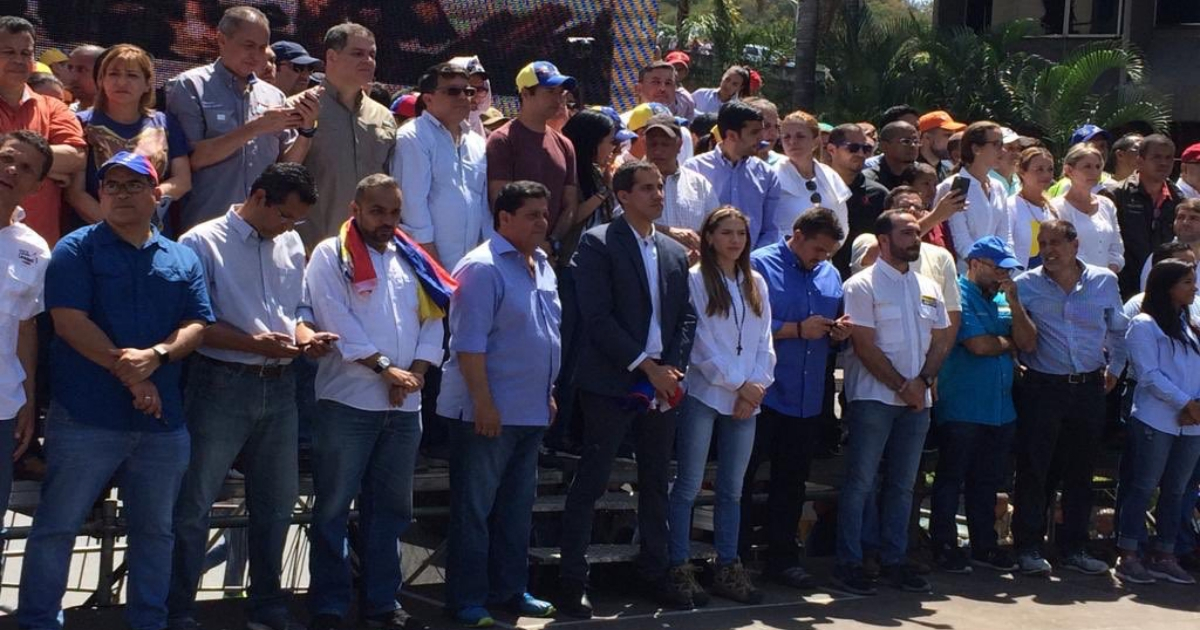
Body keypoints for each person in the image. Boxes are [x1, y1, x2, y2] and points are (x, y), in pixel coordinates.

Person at [18, 151, 214, 630]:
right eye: (112, 186)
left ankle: (150, 620)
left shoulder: (182, 256)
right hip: (86, 418)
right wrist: (135, 372)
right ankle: (39, 622)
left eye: (133, 185)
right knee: (56, 528)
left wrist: (158, 357)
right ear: (101, 195)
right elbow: (68, 323)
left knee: (156, 532)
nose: (121, 194)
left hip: (161, 423)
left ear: (155, 194)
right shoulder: (74, 248)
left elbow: (197, 323)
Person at [168, 163, 328, 630]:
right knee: (194, 504)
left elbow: (295, 308)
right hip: (220, 382)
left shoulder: (291, 241)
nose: (289, 227)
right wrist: (254, 344)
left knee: (276, 506)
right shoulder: (200, 241)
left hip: (280, 386)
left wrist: (306, 336)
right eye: (285, 215)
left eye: (296, 220)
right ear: (259, 197)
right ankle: (178, 608)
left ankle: (268, 606)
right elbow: (191, 322)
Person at [303, 174, 452, 630]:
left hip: (404, 407)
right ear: (356, 208)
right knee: (332, 508)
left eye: (393, 212)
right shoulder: (332, 254)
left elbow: (435, 320)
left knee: (391, 511)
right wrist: (386, 369)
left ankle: (381, 604)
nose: (387, 221)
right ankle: (329, 604)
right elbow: (335, 319)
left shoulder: (413, 258)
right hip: (347, 403)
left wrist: (414, 377)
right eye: (377, 211)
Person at [556, 161, 697, 617]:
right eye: (647, 188)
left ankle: (654, 572)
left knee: (657, 481)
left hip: (662, 385)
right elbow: (596, 318)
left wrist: (669, 368)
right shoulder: (598, 245)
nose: (658, 195)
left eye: (660, 187)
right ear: (622, 196)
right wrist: (645, 366)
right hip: (611, 382)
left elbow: (687, 317)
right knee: (593, 481)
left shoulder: (673, 252)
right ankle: (572, 579)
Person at [440, 181, 561, 627]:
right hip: (487, 413)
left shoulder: (543, 265)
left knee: (515, 508)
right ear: (503, 218)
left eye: (544, 214)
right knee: (475, 510)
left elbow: (542, 337)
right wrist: (483, 403)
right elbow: (468, 345)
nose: (542, 222)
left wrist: (546, 392)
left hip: (529, 410)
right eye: (531, 214)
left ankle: (510, 590)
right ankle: (467, 600)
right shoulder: (481, 268)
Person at [834, 210, 953, 595]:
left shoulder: (928, 286)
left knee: (903, 484)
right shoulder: (861, 285)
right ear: (883, 240)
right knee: (861, 482)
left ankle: (894, 560)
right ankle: (851, 561)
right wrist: (905, 385)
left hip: (917, 401)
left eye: (917, 232)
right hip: (874, 398)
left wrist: (924, 381)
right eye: (906, 232)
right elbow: (864, 345)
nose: (915, 238)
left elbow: (941, 339)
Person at [667, 206, 775, 605]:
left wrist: (757, 385)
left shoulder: (756, 282)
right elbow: (699, 343)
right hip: (706, 392)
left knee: (732, 488)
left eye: (740, 233)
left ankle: (728, 564)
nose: (734, 240)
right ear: (709, 236)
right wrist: (738, 384)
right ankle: (677, 564)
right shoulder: (696, 280)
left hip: (747, 400)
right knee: (689, 485)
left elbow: (765, 340)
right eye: (726, 232)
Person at [740, 207, 848, 589]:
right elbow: (744, 324)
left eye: (828, 252)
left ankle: (782, 559)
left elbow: (835, 318)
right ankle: (734, 558)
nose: (822, 258)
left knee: (792, 482)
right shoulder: (758, 266)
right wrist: (796, 329)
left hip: (807, 397)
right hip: (764, 394)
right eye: (817, 249)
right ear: (797, 235)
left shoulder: (831, 274)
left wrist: (838, 332)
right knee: (745, 479)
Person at [1011, 219, 1126, 577]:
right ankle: (1028, 548)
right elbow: (1015, 334)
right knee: (1035, 469)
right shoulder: (1025, 284)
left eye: (1056, 242)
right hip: (1043, 386)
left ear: (1075, 245)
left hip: (1090, 387)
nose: (1048, 250)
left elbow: (1119, 330)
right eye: (1043, 243)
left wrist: (1115, 369)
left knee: (1081, 471)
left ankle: (1074, 548)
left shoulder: (1104, 281)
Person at [929, 236, 1035, 574]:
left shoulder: (1004, 298)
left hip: (1000, 409)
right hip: (962, 405)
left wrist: (1015, 305)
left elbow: (1029, 341)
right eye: (998, 269)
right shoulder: (958, 294)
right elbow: (978, 345)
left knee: (987, 481)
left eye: (1008, 270)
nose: (1004, 276)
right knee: (951, 477)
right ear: (975, 264)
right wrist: (1009, 344)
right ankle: (943, 544)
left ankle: (983, 545)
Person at [166, 6, 317, 232]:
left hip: (261, 227)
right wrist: (255, 128)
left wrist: (306, 131)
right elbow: (192, 160)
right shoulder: (189, 86)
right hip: (207, 225)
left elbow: (285, 167)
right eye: (248, 45)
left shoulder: (274, 95)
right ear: (222, 40)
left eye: (262, 47)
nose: (255, 55)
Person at [1114, 259, 1200, 586]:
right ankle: (1129, 553)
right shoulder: (1144, 324)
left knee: (1177, 489)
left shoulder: (1191, 325)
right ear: (1167, 287)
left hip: (1191, 422)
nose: (1194, 287)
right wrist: (1185, 403)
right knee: (1143, 485)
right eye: (1187, 282)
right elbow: (1149, 375)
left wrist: (1196, 406)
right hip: (1156, 419)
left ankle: (1165, 553)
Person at [66, 44, 192, 230]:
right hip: (96, 237)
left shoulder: (165, 123)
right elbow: (75, 193)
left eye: (132, 75)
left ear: (148, 83)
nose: (122, 82)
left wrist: (153, 195)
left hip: (154, 233)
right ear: (101, 80)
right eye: (114, 74)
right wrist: (117, 228)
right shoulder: (80, 124)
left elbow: (182, 180)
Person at [299, 22, 397, 250]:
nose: (368, 61)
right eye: (358, 53)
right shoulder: (299, 108)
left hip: (370, 248)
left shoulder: (383, 117)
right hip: (311, 247)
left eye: (372, 54)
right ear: (331, 57)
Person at [0, 131, 52, 539]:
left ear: (36, 187)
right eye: (6, 158)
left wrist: (29, 401)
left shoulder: (35, 250)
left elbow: (26, 328)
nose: (11, 169)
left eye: (26, 168)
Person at [394, 62, 489, 270]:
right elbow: (413, 209)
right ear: (428, 99)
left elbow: (483, 207)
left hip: (470, 268)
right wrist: (436, 271)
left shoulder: (478, 143)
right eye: (453, 91)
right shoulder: (413, 137)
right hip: (424, 267)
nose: (464, 97)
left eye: (468, 91)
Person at [0, 16, 85, 246]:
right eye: (9, 52)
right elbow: (64, 158)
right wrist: (44, 167)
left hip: (36, 250)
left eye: (25, 53)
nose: (18, 60)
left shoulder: (53, 106)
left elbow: (76, 157)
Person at [486, 61, 578, 258]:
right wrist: (530, 245)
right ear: (526, 94)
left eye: (561, 92)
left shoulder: (565, 144)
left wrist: (552, 242)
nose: (559, 98)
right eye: (551, 91)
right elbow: (500, 201)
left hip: (551, 255)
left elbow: (570, 203)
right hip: (511, 253)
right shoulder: (502, 140)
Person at [850, 187, 963, 330]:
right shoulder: (868, 241)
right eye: (903, 207)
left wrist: (939, 352)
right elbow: (868, 259)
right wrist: (936, 216)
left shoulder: (941, 256)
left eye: (917, 207)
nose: (911, 210)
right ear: (886, 212)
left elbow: (951, 312)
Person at [681, 101, 780, 249]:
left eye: (761, 130)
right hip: (706, 264)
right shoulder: (694, 169)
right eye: (754, 132)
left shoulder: (767, 175)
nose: (761, 138)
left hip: (751, 266)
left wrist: (752, 262)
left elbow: (770, 231)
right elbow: (687, 221)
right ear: (731, 135)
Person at [1106, 133, 1184, 298]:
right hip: (1123, 287)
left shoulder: (1180, 200)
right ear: (1139, 161)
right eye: (1156, 157)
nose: (1163, 163)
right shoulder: (1116, 195)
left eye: (1168, 158)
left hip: (1164, 290)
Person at [936, 121, 1011, 266]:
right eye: (996, 144)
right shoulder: (952, 187)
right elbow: (960, 241)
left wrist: (1005, 265)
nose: (1003, 151)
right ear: (976, 148)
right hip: (963, 277)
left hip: (994, 274)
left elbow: (1005, 235)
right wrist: (985, 266)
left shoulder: (998, 187)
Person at [642, 114, 718, 252]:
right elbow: (621, 222)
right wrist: (668, 232)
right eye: (653, 144)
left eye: (665, 144)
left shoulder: (699, 184)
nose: (658, 150)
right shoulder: (630, 182)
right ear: (644, 144)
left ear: (679, 145)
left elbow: (716, 227)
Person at [773, 110, 851, 241]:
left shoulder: (831, 176)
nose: (792, 142)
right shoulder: (772, 177)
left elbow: (842, 224)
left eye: (800, 136)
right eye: (786, 137)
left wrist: (827, 251)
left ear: (815, 141)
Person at [558, 108, 622, 265]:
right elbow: (572, 217)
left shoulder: (595, 172)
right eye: (611, 142)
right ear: (592, 141)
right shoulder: (565, 171)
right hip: (571, 262)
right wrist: (603, 191)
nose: (613, 148)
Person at [1050, 144, 1124, 273]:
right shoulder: (1056, 208)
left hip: (1106, 283)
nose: (1094, 172)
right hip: (1071, 284)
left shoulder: (1107, 205)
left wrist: (1108, 273)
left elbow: (1116, 248)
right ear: (1069, 170)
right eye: (1087, 167)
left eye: (1098, 167)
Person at [826, 123, 887, 277]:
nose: (860, 154)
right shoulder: (816, 188)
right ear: (831, 149)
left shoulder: (879, 194)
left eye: (866, 149)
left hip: (864, 280)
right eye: (853, 148)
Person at [1008, 147, 1057, 268]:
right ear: (1021, 172)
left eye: (1050, 169)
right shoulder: (1010, 206)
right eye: (1039, 169)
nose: (1046, 174)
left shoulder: (1053, 208)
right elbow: (1007, 246)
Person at [1137, 199, 1200, 290]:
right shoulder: (1161, 256)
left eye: (1193, 218)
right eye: (1180, 217)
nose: (1185, 222)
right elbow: (1147, 295)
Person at [1048, 124, 1115, 197]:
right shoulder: (1067, 186)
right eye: (1093, 146)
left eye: (1102, 145)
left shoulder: (1110, 183)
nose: (1100, 151)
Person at [863, 121, 918, 191]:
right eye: (906, 141)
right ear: (884, 146)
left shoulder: (922, 176)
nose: (913, 146)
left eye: (916, 141)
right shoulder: (868, 181)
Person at [916, 110, 964, 181]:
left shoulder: (947, 172)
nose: (952, 140)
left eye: (954, 135)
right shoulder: (910, 171)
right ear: (927, 138)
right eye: (948, 135)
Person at [742, 97, 784, 166]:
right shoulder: (732, 163)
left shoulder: (784, 165)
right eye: (766, 126)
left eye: (776, 126)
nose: (774, 133)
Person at [63, 44, 103, 112]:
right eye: (70, 68)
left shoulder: (122, 118)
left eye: (82, 69)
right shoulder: (65, 113)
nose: (73, 77)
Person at [663, 51, 695, 120]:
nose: (676, 73)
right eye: (673, 68)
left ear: (685, 73)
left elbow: (689, 122)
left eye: (680, 70)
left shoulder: (687, 98)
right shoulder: (655, 90)